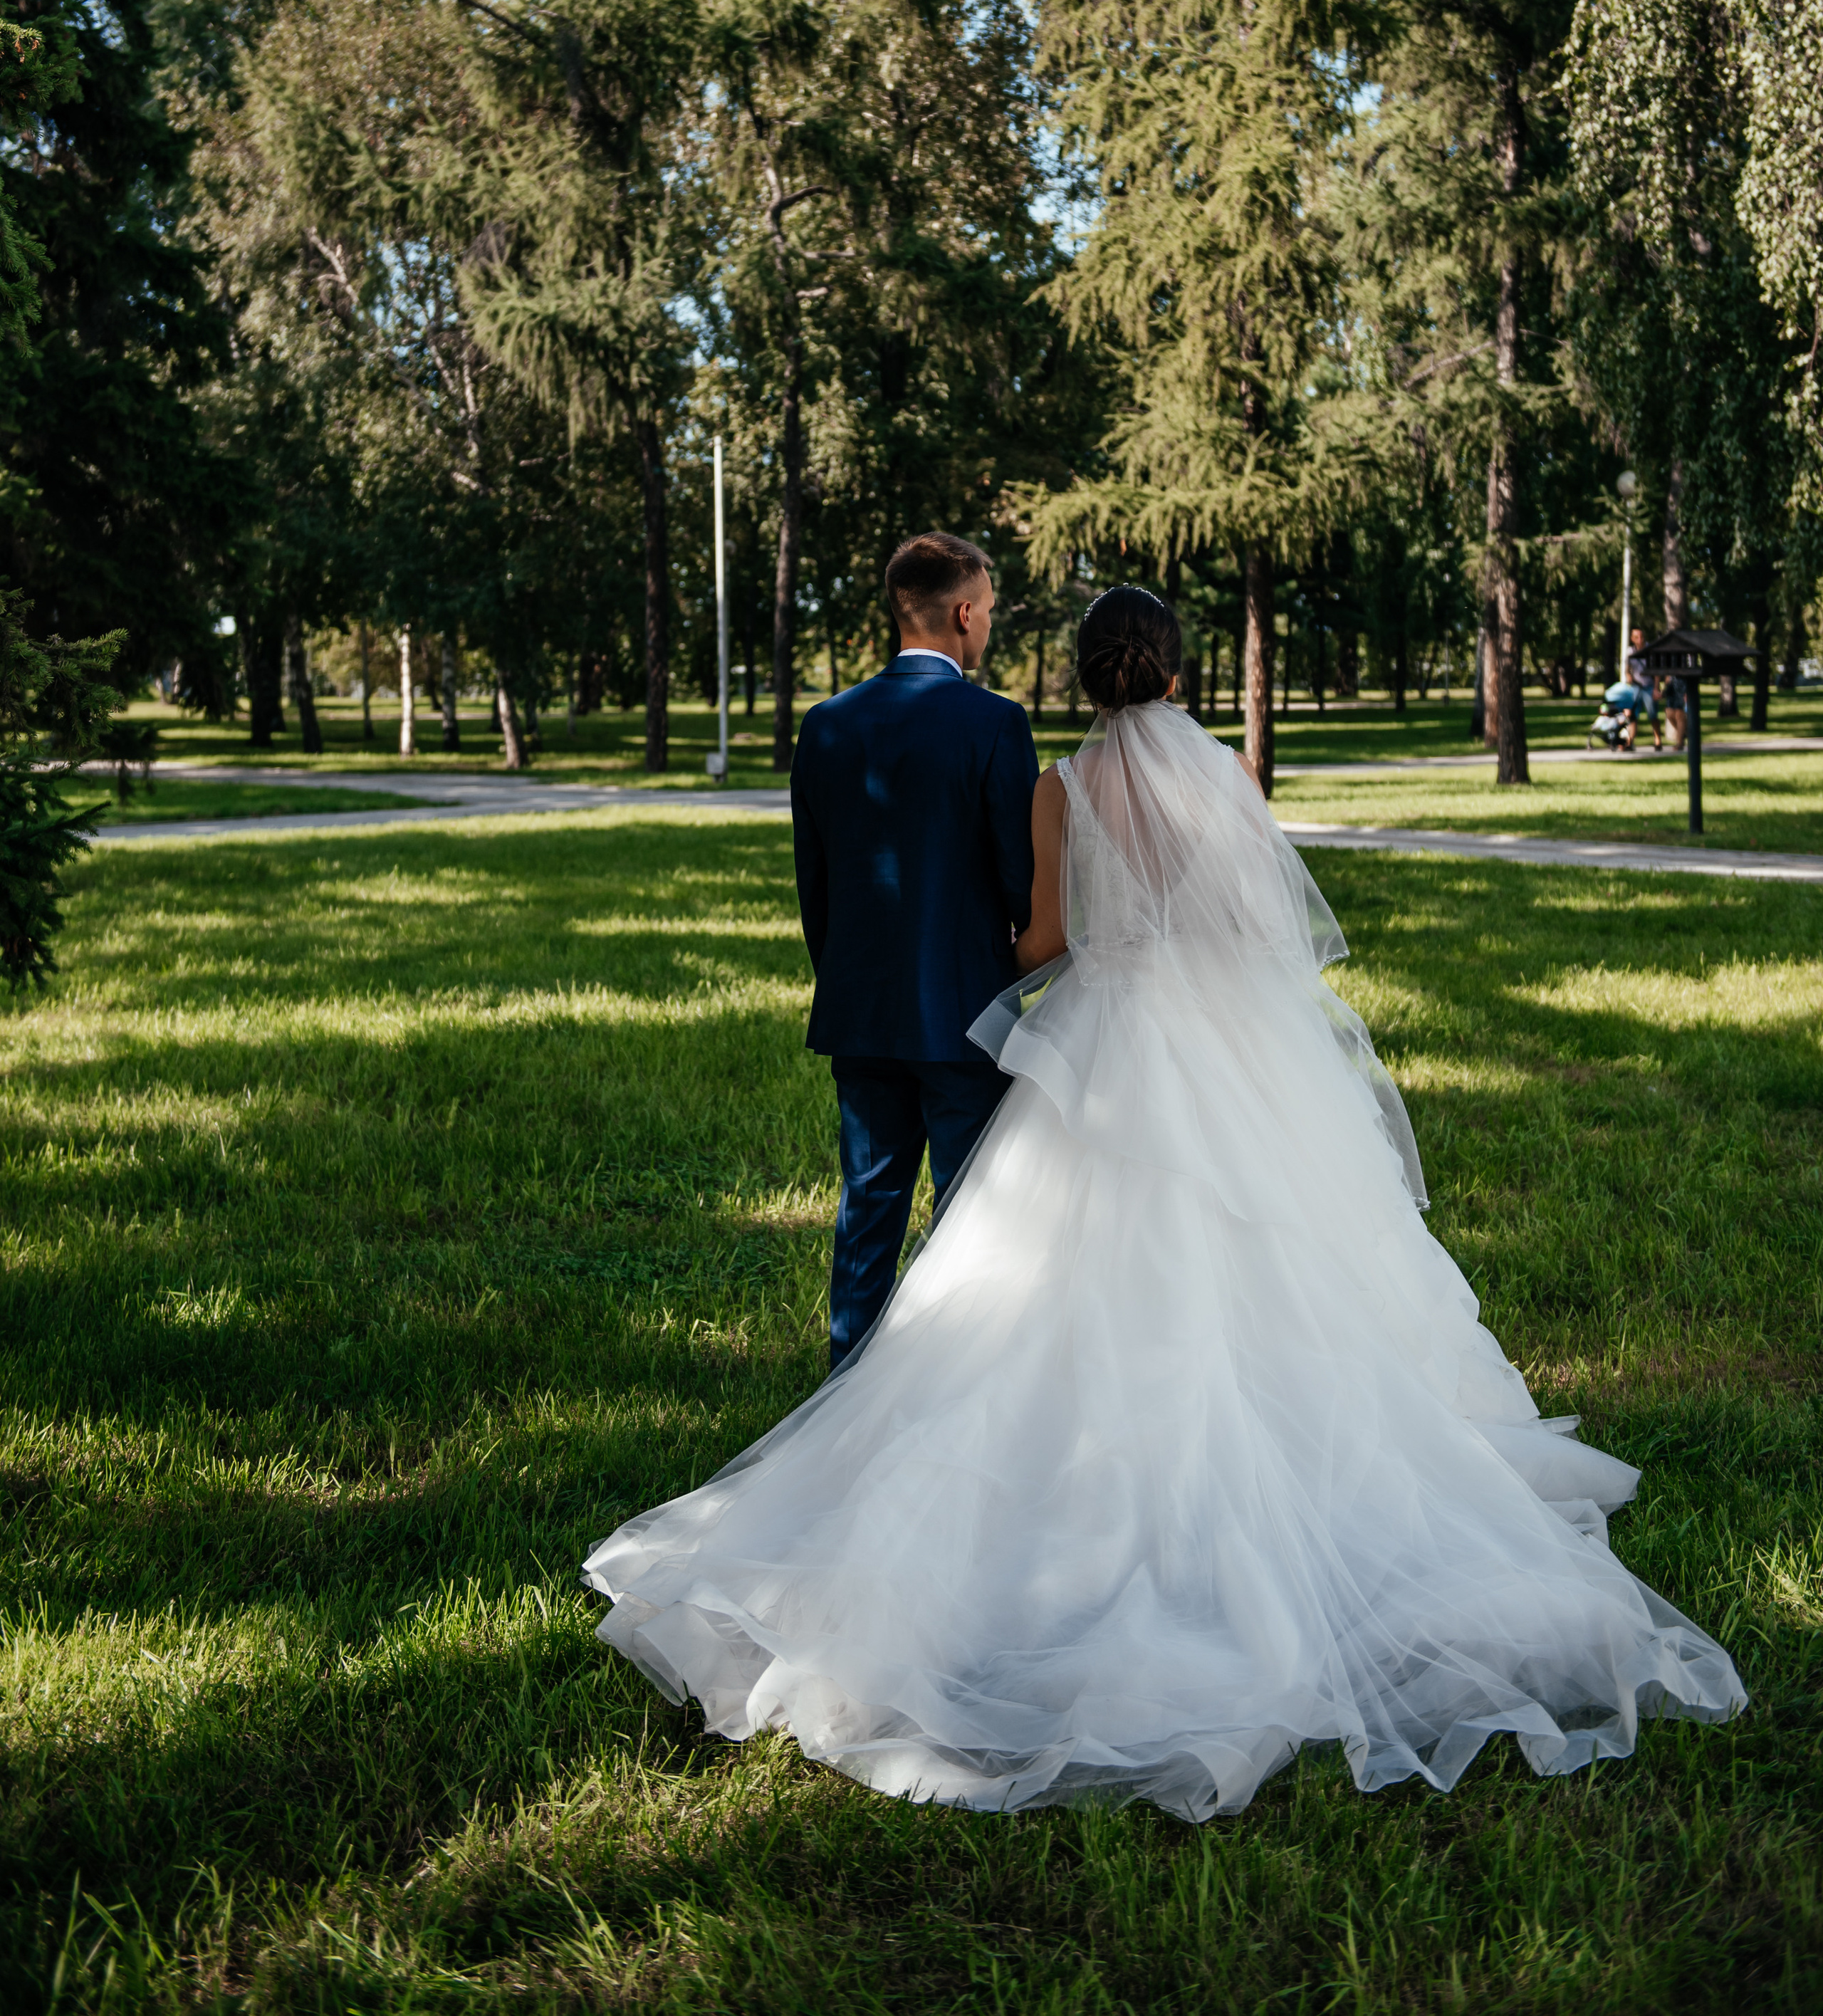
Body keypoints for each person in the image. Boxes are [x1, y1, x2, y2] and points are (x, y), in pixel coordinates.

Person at [582, 585, 1745, 1819]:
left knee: (1038, 1267)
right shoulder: (1227, 777)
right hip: (1236, 1050)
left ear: (1086, 679)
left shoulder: (1062, 786)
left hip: (1113, 1040)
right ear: (1179, 675)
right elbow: (1262, 923)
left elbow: (1043, 941)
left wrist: (1031, 954)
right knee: (1291, 1250)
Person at [786, 531, 1039, 1367]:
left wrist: (849, 981)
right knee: (969, 1213)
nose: (990, 622)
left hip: (860, 1008)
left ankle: (845, 1380)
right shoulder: (995, 722)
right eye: (989, 608)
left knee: (867, 1205)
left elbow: (816, 886)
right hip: (965, 1014)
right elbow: (1019, 881)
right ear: (963, 613)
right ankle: (951, 1378)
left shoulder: (826, 725)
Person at [1626, 627, 1663, 751]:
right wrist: (1629, 676)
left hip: (1649, 686)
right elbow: (1627, 669)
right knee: (1633, 715)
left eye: (1641, 637)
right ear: (1632, 639)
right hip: (1636, 686)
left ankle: (1658, 739)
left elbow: (1657, 672)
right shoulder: (1630, 652)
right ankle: (1630, 741)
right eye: (1637, 637)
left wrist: (1656, 689)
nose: (1640, 640)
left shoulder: (1650, 650)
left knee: (1653, 715)